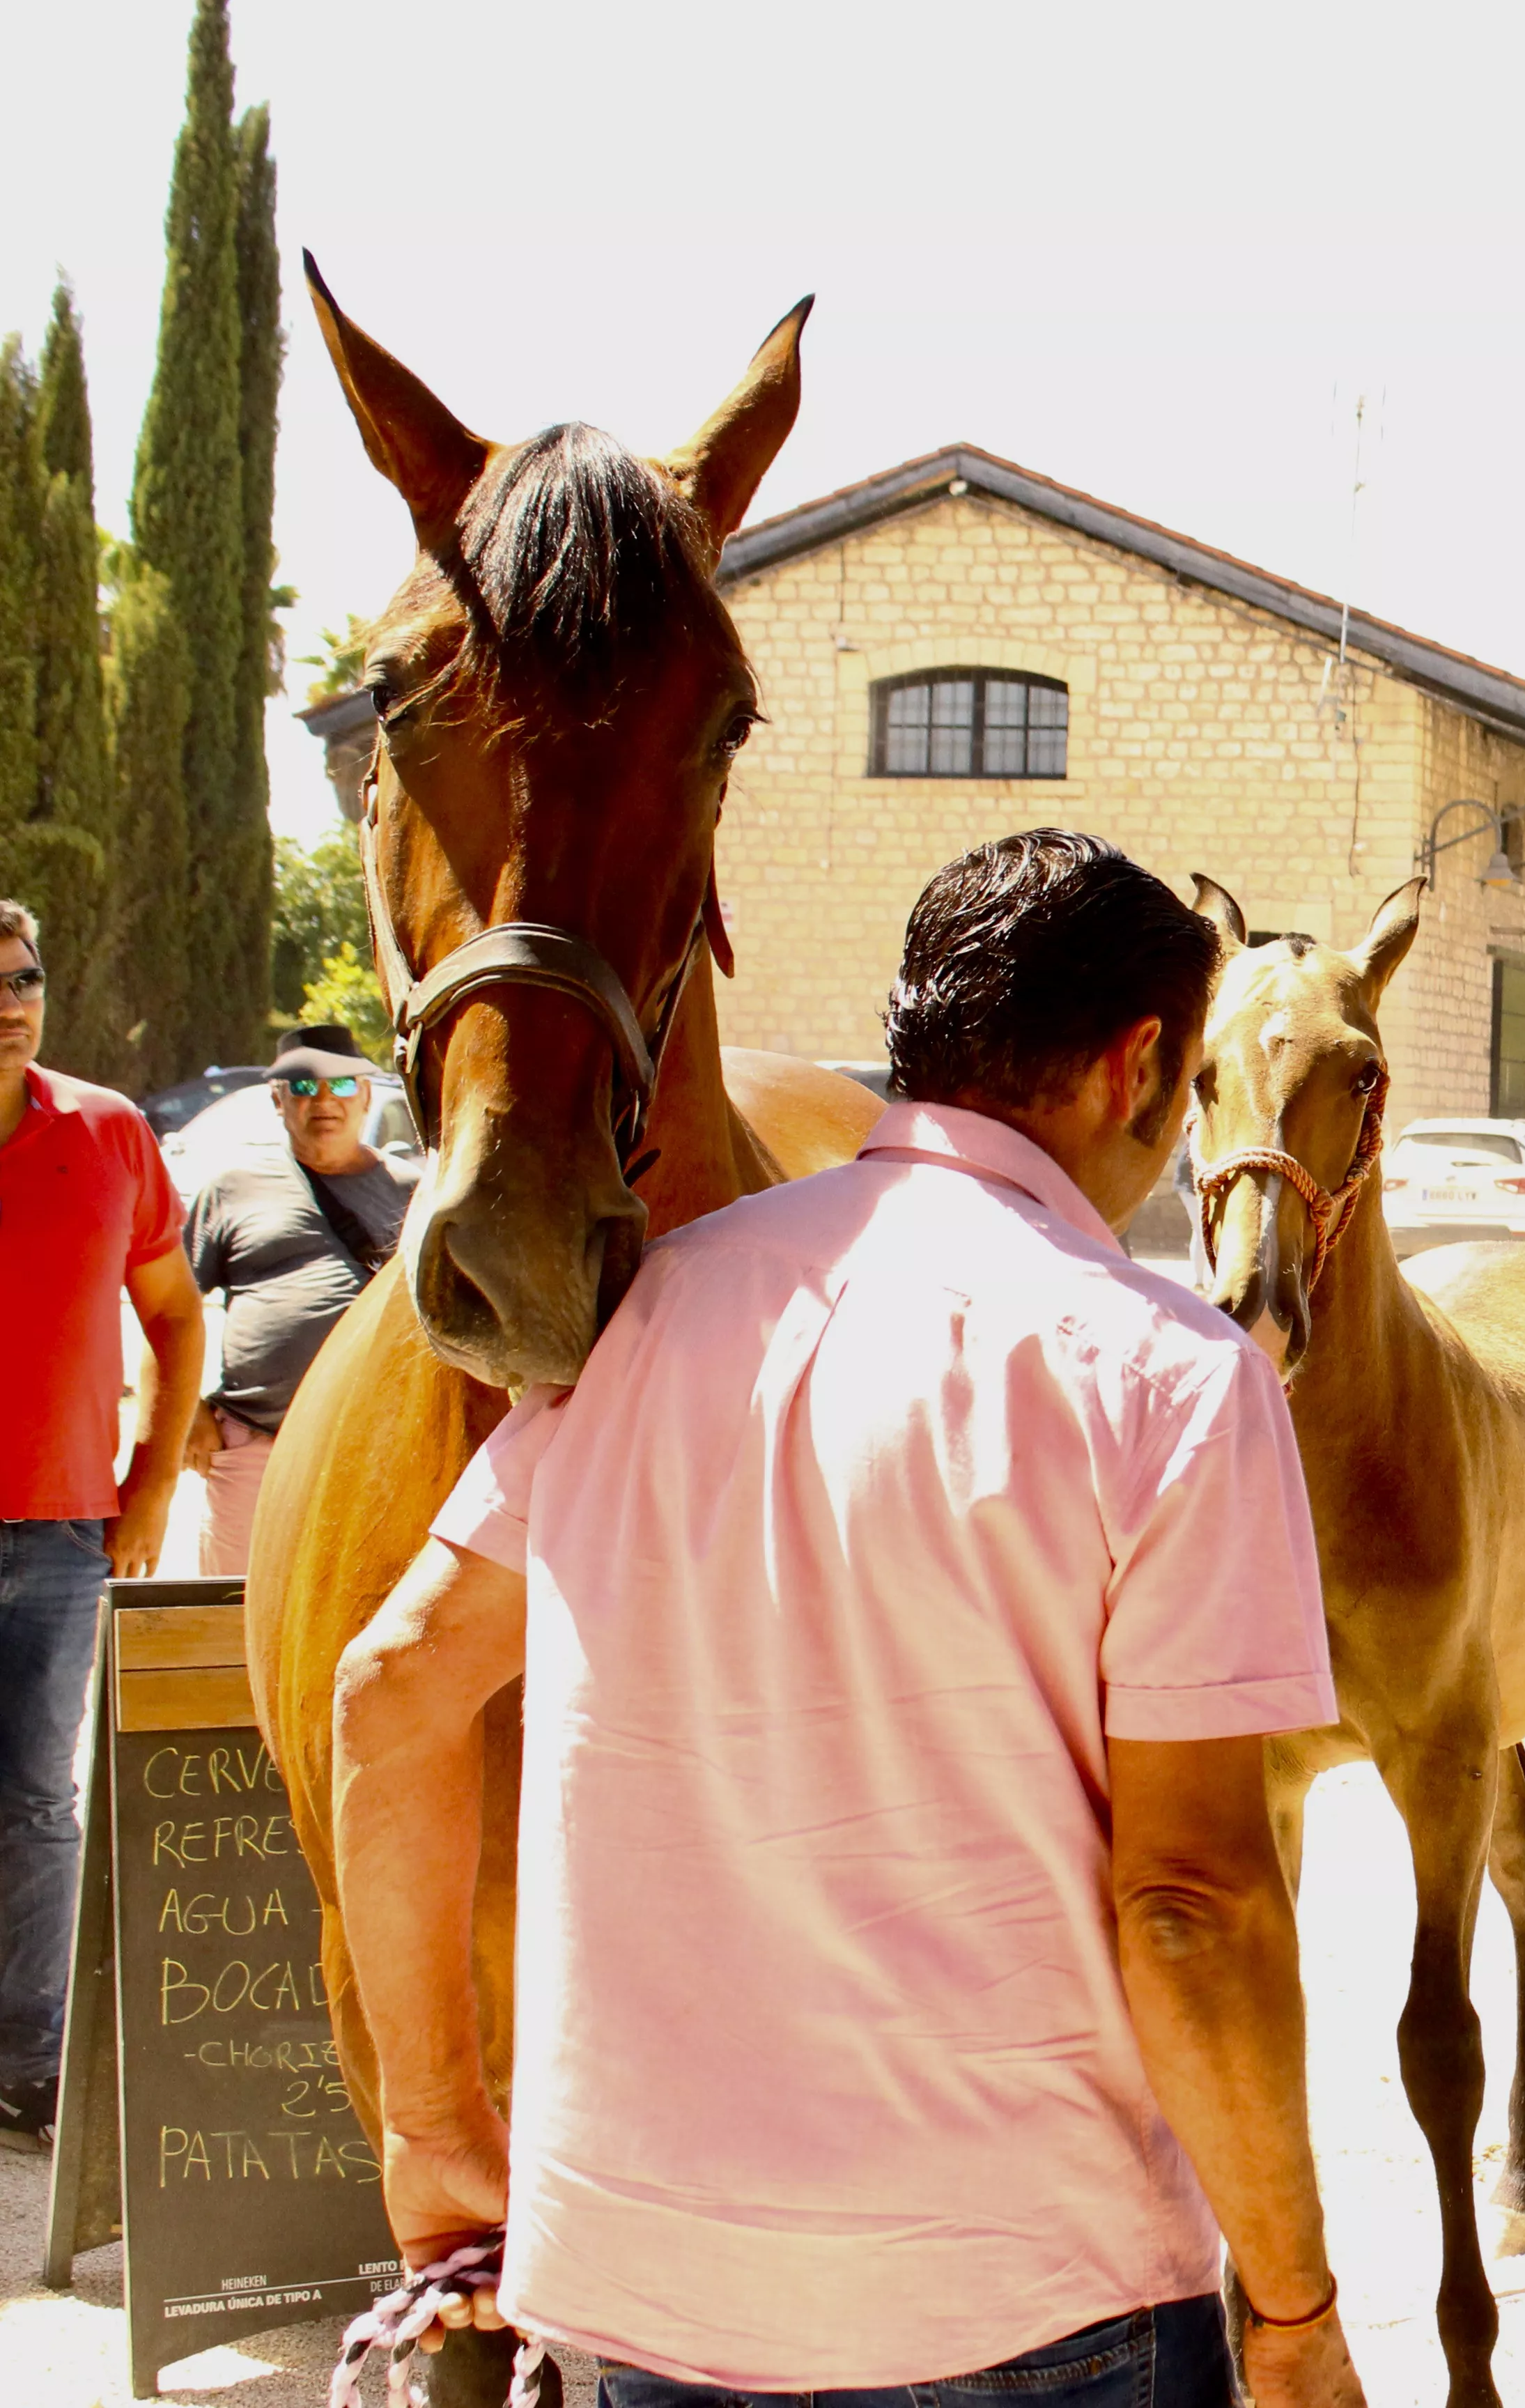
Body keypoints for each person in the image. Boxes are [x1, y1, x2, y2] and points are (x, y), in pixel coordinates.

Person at [330, 833, 1363, 2408]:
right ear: (1142, 1064)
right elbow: (1189, 1904)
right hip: (1028, 2294)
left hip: (648, 2283)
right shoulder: (1165, 1376)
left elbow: (393, 1688)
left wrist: (434, 2129)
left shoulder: (651, 1314)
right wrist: (1289, 2303)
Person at [0, 898, 204, 2149]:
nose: (12, 1001)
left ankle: (29, 2062)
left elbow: (178, 1320)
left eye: (25, 977)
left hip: (66, 1534)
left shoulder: (112, 1134)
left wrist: (156, 1479)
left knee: (34, 1800)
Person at [180, 1025, 417, 1575]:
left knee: (364, 1611)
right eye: (305, 1088)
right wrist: (186, 1412)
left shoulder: (412, 1189)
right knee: (226, 1614)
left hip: (374, 1449)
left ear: (364, 1094)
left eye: (340, 1086)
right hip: (254, 1443)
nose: (325, 1102)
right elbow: (171, 1305)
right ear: (277, 1099)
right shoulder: (232, 1186)